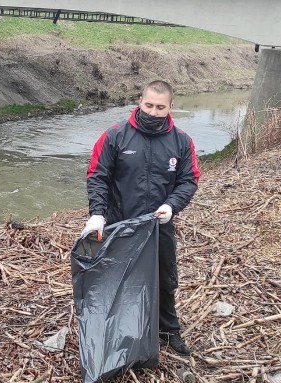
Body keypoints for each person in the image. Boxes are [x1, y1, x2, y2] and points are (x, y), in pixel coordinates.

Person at [81, 80, 201, 356]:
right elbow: (97, 176)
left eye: (160, 107)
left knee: (166, 279)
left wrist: (172, 206)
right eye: (148, 105)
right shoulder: (114, 135)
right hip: (118, 224)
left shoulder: (182, 141)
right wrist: (97, 214)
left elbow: (189, 179)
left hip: (159, 224)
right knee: (114, 279)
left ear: (171, 107)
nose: (153, 112)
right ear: (139, 101)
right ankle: (115, 331)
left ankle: (168, 331)